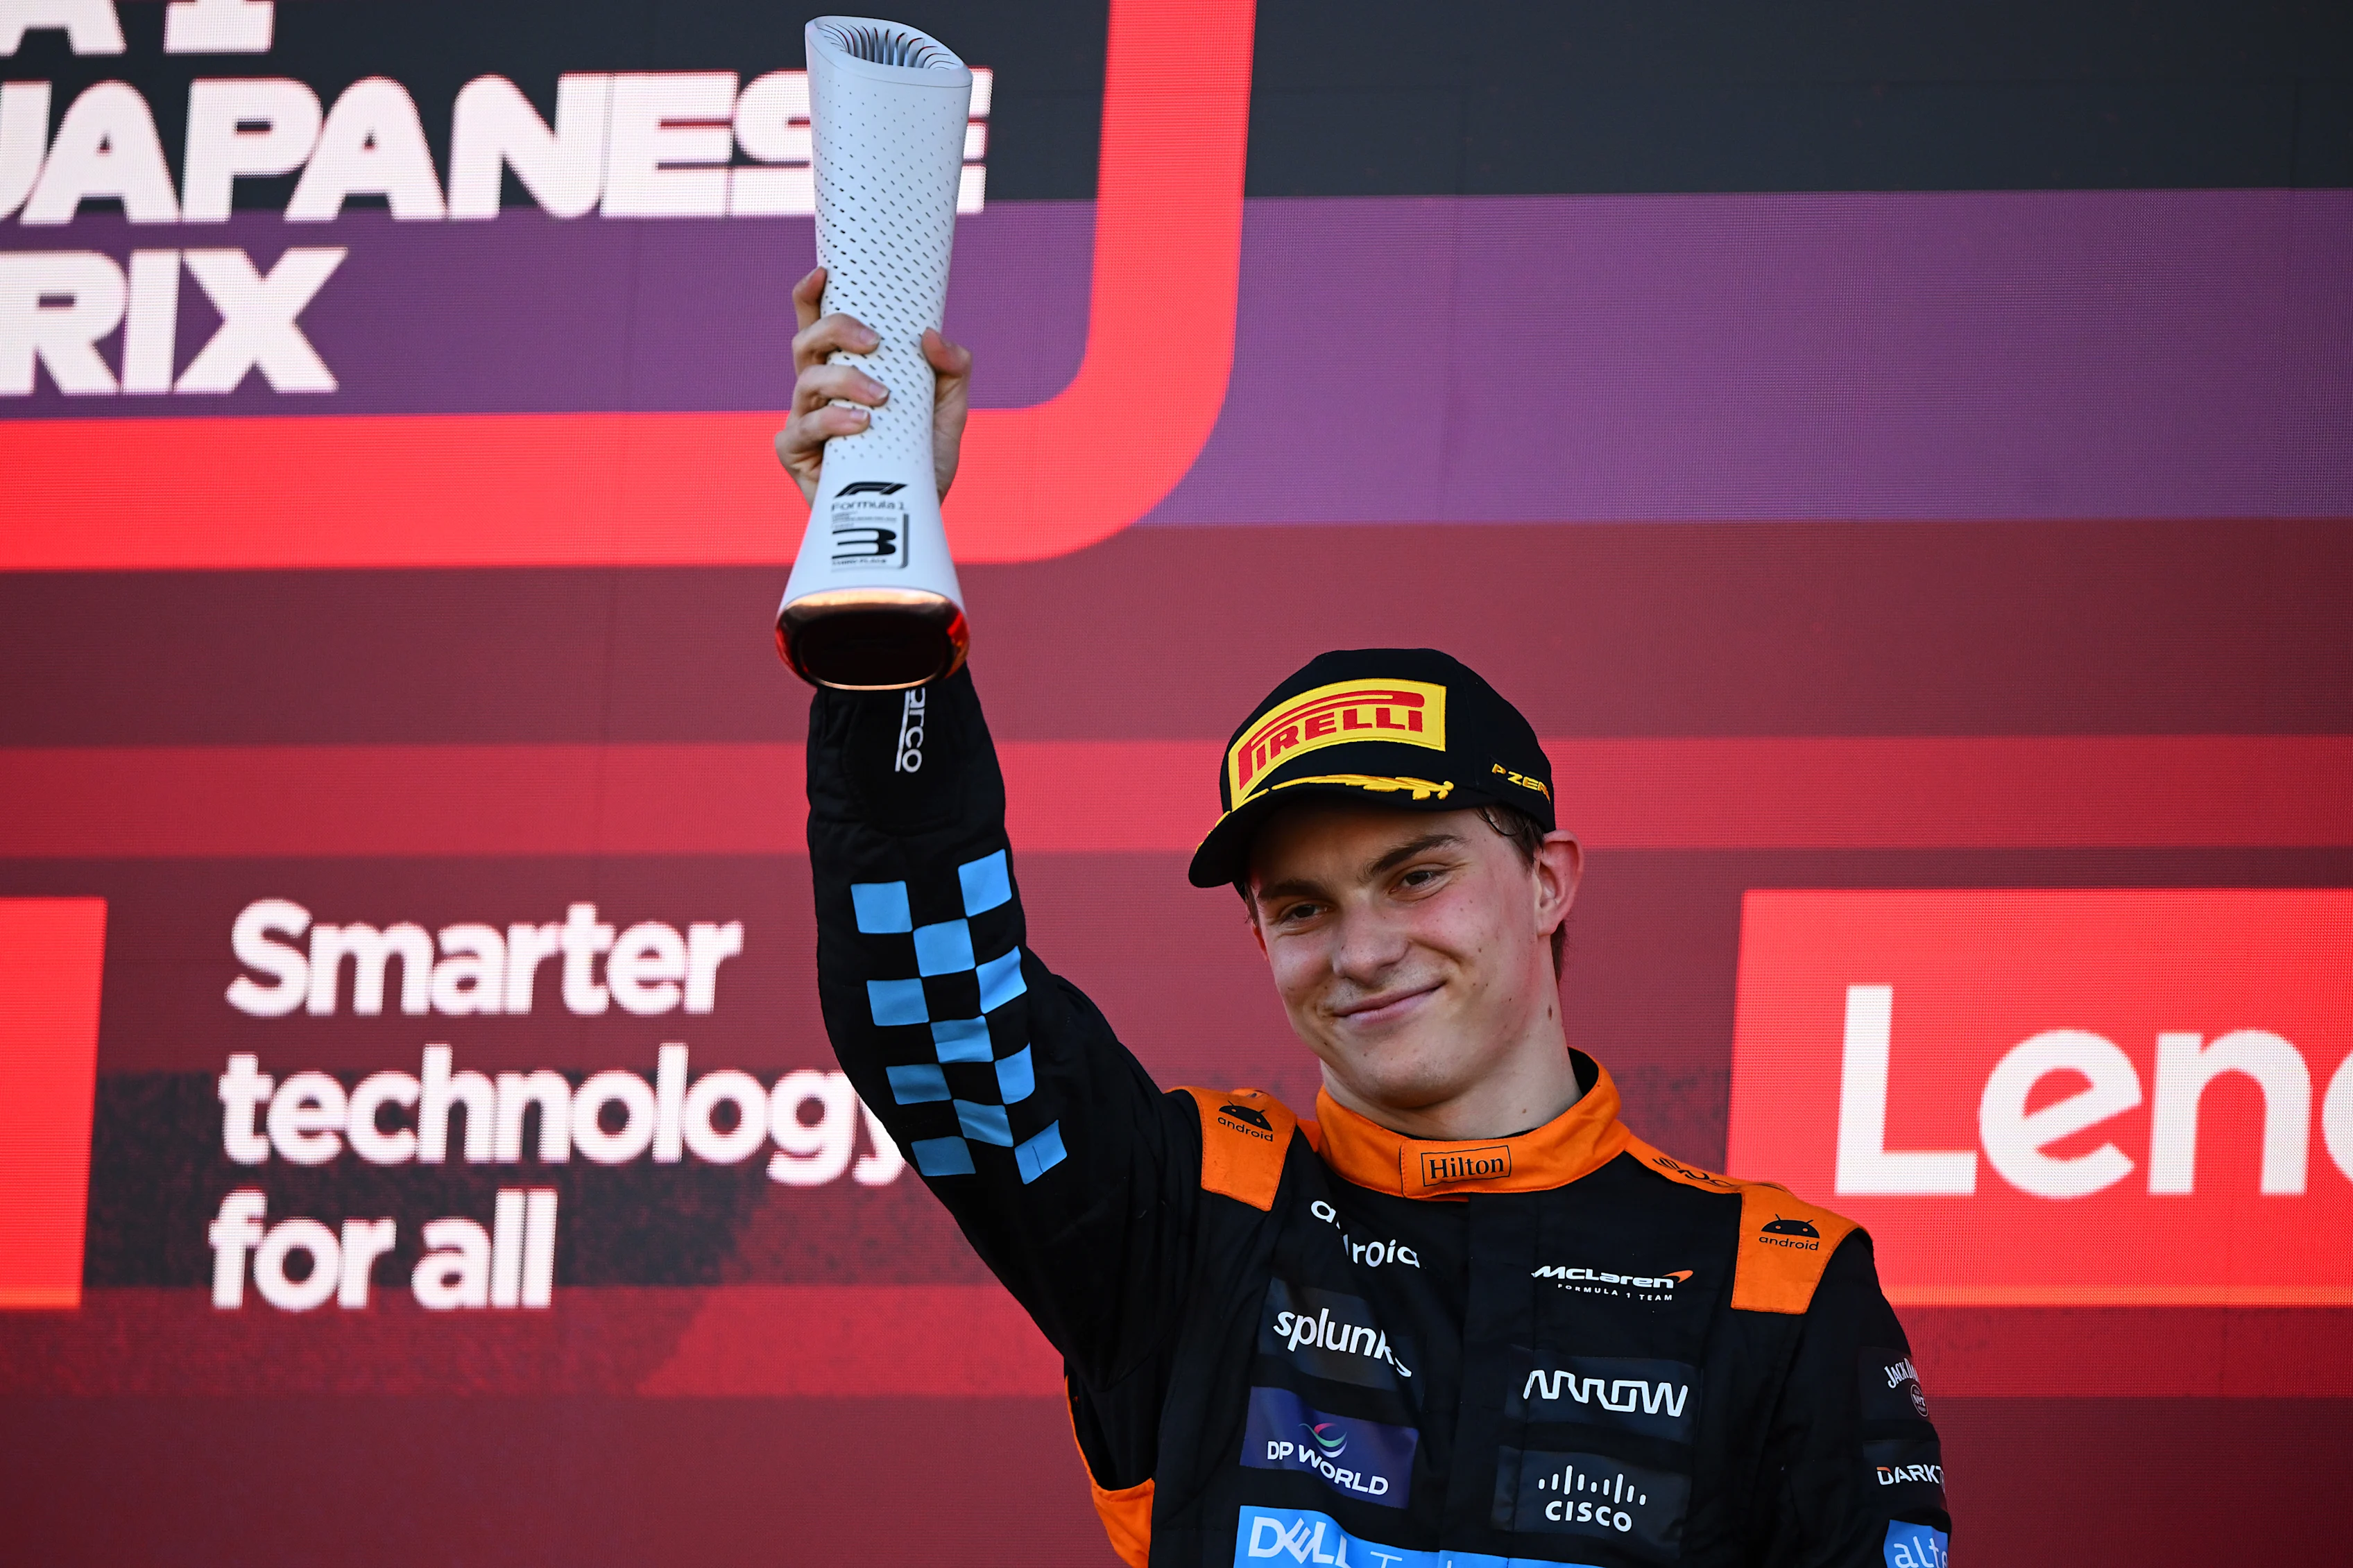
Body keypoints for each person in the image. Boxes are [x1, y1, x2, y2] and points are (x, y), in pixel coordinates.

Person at [777, 268, 1953, 1568]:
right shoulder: (1192, 1219)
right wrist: (877, 558)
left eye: (1415, 874)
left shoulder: (1774, 1283)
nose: (1363, 949)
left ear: (1551, 879)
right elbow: (932, 1012)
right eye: (1301, 906)